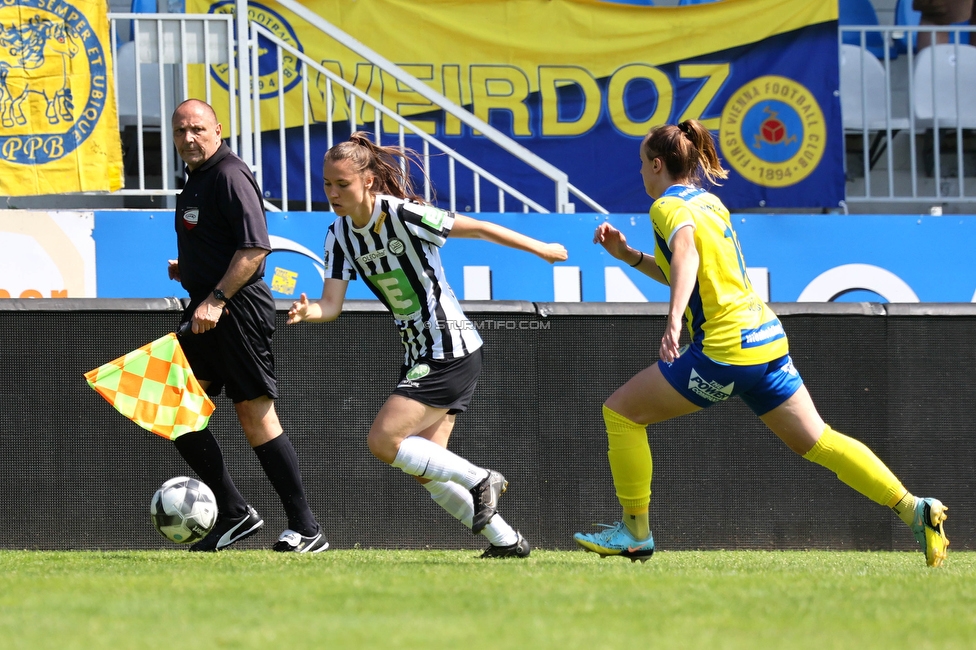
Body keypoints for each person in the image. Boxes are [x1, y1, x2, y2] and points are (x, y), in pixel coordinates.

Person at [573, 119, 950, 567]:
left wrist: (673, 321)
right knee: (819, 440)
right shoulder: (709, 202)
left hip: (724, 350)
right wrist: (631, 257)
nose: (639, 172)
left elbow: (687, 255)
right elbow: (690, 270)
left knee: (621, 414)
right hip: (766, 342)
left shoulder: (666, 207)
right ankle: (915, 509)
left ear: (657, 165)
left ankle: (635, 534)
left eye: (641, 164)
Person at [287, 132, 568, 558]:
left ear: (367, 181)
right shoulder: (339, 236)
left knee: (383, 442)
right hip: (421, 352)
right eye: (327, 184)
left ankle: (480, 479)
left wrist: (541, 248)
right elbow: (331, 304)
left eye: (342, 184)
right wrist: (311, 313)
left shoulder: (401, 214)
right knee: (428, 467)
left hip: (448, 347)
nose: (333, 193)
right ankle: (507, 542)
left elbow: (478, 228)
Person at [168, 98, 328, 553]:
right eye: (181, 131)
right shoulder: (198, 179)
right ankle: (235, 513)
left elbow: (255, 250)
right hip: (207, 306)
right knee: (175, 405)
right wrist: (193, 268)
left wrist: (217, 297)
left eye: (197, 129)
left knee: (254, 414)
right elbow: (227, 242)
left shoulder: (229, 174)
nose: (189, 138)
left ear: (218, 129)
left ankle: (306, 527)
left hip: (234, 311)